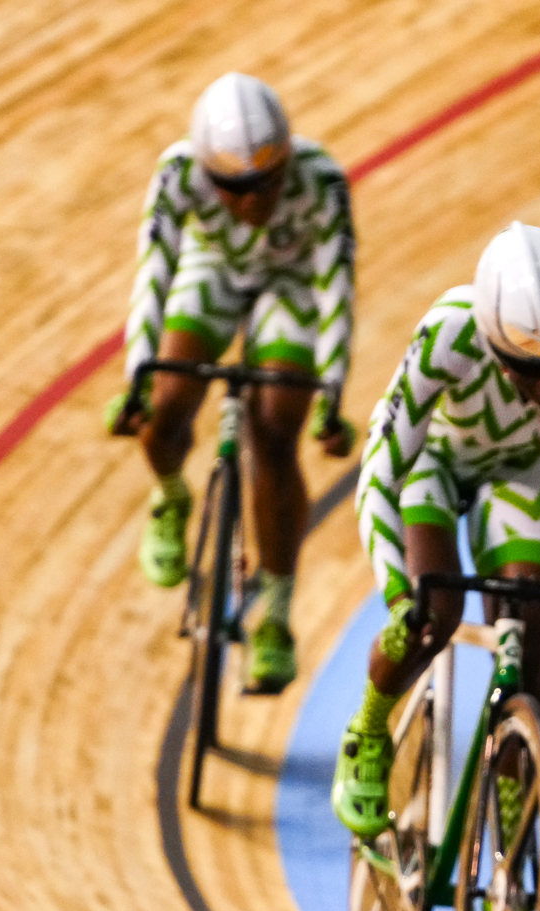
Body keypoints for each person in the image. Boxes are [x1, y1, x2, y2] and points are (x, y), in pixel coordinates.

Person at [331, 222, 540, 837]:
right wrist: (400, 594)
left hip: (525, 473)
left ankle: (516, 839)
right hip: (433, 463)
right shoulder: (448, 333)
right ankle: (369, 726)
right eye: (533, 373)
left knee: (529, 659)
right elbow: (379, 475)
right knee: (434, 614)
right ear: (493, 346)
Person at [109, 72, 356, 693]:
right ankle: (170, 492)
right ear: (207, 174)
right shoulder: (177, 174)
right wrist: (136, 376)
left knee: (276, 432)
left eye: (266, 183)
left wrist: (332, 396)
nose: (252, 202)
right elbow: (154, 273)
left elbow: (336, 290)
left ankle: (274, 616)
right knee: (168, 401)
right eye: (234, 189)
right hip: (212, 269)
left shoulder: (321, 180)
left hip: (292, 282)